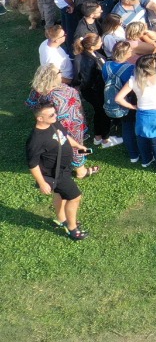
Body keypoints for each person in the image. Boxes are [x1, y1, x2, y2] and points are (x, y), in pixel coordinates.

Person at [27, 102, 89, 240]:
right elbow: (33, 164)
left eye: (55, 112)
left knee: (59, 194)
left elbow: (64, 136)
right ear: (40, 118)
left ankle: (62, 220)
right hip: (56, 174)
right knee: (75, 197)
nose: (55, 116)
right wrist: (42, 183)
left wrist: (78, 146)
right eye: (51, 115)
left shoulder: (53, 123)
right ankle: (72, 229)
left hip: (64, 168)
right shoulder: (36, 140)